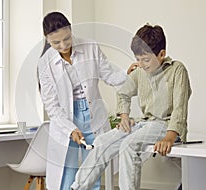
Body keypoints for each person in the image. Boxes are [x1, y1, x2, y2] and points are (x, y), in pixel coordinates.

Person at [71, 24, 192, 190]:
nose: (141, 64)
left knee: (128, 145)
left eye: (146, 59)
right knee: (102, 141)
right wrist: (124, 116)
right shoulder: (140, 72)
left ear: (161, 54)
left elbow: (180, 108)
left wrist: (170, 137)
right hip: (144, 123)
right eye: (138, 59)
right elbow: (123, 92)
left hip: (165, 125)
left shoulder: (177, 70)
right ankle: (77, 187)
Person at [37, 12, 127, 190]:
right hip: (65, 119)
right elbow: (52, 106)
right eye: (56, 42)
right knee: (66, 173)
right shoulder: (44, 64)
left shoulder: (90, 46)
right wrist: (70, 129)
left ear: (71, 30)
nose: (63, 45)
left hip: (93, 113)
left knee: (92, 170)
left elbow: (109, 74)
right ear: (47, 40)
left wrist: (129, 74)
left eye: (67, 38)